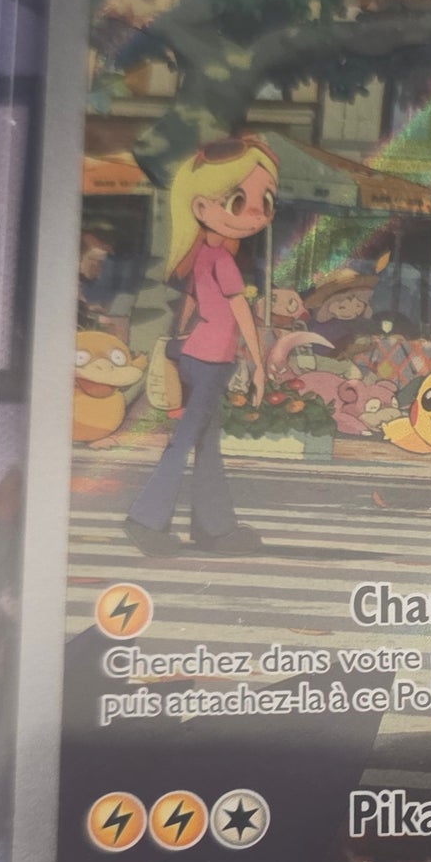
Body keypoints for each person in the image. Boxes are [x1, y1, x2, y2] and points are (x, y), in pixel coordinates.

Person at [126, 139, 274, 560]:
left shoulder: (204, 256)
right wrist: (259, 365)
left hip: (196, 355)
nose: (256, 214)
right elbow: (240, 313)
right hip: (211, 361)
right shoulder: (222, 261)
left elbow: (190, 303)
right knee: (188, 439)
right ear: (201, 207)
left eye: (265, 202)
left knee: (205, 442)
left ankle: (214, 529)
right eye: (238, 201)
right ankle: (146, 520)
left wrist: (178, 339)